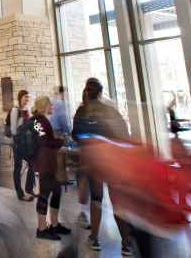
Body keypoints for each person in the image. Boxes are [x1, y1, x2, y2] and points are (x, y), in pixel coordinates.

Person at [72, 78, 133, 254]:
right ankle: (126, 243)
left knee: (96, 199)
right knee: (117, 201)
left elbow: (76, 135)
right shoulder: (111, 111)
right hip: (113, 163)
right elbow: (124, 136)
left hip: (93, 163)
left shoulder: (82, 111)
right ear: (100, 93)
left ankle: (94, 239)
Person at [31, 95, 71, 241]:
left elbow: (45, 140)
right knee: (44, 195)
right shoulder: (42, 121)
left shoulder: (37, 121)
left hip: (44, 163)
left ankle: (54, 224)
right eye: (51, 104)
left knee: (57, 191)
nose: (53, 107)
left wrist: (54, 140)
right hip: (45, 163)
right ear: (45, 105)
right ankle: (41, 229)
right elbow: (47, 145)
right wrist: (60, 141)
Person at [6, 90, 35, 201]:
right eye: (26, 97)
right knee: (18, 167)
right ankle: (20, 193)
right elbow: (13, 128)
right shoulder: (15, 110)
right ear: (20, 97)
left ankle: (29, 188)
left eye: (28, 97)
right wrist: (17, 142)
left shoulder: (27, 110)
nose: (27, 99)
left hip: (27, 143)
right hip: (17, 143)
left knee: (32, 164)